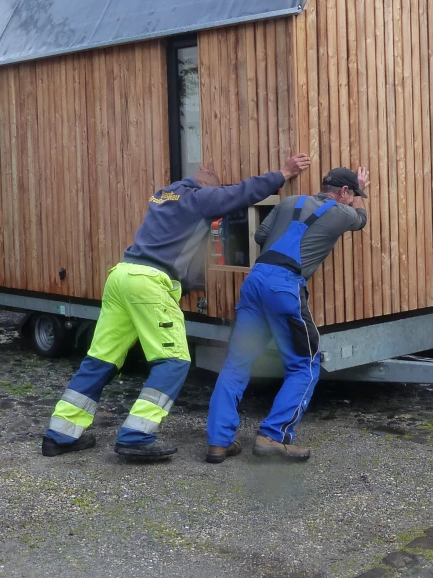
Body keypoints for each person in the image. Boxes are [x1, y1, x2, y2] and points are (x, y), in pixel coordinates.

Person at [42, 153, 311, 463]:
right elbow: (240, 193)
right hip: (149, 283)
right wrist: (282, 173)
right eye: (216, 183)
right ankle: (136, 436)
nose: (219, 189)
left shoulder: (163, 194)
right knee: (174, 361)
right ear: (206, 178)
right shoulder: (199, 199)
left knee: (101, 358)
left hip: (122, 276)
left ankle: (60, 435)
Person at [204, 167, 370, 463]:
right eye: (351, 194)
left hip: (255, 282)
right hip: (284, 287)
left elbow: (260, 235)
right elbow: (361, 220)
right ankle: (273, 436)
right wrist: (360, 195)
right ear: (344, 192)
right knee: (305, 364)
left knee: (236, 365)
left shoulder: (288, 201)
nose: (352, 199)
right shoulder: (342, 211)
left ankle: (219, 442)